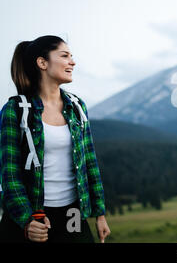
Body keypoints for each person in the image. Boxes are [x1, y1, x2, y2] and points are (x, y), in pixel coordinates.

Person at [0, 35, 110, 243]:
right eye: (65, 55)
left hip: (73, 214)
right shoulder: (15, 110)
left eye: (72, 56)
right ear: (42, 63)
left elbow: (90, 163)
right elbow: (10, 176)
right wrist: (27, 220)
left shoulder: (77, 107)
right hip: (35, 216)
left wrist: (100, 214)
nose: (73, 62)